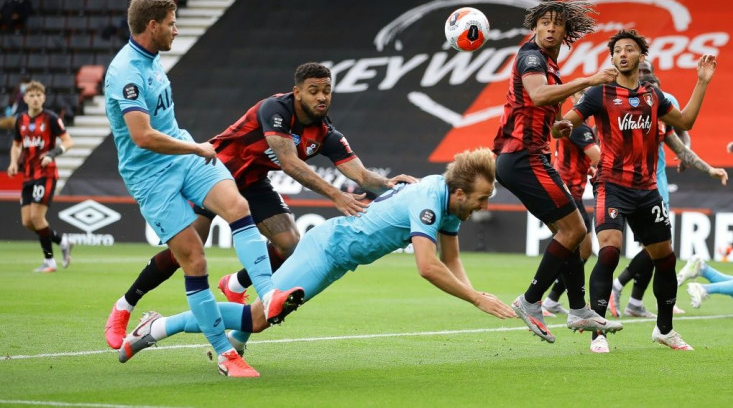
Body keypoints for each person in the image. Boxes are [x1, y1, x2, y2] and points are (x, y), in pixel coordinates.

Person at [116, 148, 517, 373]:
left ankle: (233, 334)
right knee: (259, 317)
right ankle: (158, 326)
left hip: (338, 259)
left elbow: (452, 258)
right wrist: (476, 299)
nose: (484, 206)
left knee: (259, 318)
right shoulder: (430, 202)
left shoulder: (449, 204)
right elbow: (428, 267)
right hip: (326, 249)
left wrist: (475, 292)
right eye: (482, 198)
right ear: (461, 192)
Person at [104, 62, 417, 350]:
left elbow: (361, 175)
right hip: (213, 173)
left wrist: (390, 186)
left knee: (290, 244)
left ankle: (236, 282)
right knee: (183, 254)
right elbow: (290, 163)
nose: (322, 97)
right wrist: (336, 195)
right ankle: (124, 306)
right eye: (314, 91)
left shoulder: (325, 133)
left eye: (326, 90)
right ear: (297, 93)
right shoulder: (276, 110)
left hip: (253, 183)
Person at [104, 0, 303, 378]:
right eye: (171, 23)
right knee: (193, 259)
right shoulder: (125, 72)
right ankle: (225, 355)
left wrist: (191, 150)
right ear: (152, 26)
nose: (176, 29)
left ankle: (267, 293)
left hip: (185, 157)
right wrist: (195, 146)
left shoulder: (151, 60)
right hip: (150, 175)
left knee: (238, 208)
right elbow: (143, 136)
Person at [560, 29, 717, 353]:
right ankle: (598, 333)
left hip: (646, 190)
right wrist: (561, 125)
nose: (622, 54)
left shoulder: (653, 97)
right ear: (612, 57)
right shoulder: (599, 94)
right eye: (617, 50)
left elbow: (685, 122)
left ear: (640, 56)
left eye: (629, 49)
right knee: (610, 250)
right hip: (611, 186)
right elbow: (568, 122)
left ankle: (664, 330)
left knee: (666, 258)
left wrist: (702, 81)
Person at [492, 0, 621, 343]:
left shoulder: (549, 63)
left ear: (566, 32)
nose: (550, 28)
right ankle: (531, 301)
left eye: (557, 24)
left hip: (529, 155)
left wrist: (560, 127)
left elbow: (544, 117)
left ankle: (578, 309)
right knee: (574, 230)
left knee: (569, 235)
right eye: (545, 22)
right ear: (534, 27)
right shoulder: (532, 56)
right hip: (522, 157)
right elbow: (537, 96)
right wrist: (589, 80)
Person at [609, 71, 728, 319]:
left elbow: (681, 131)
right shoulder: (622, 105)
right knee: (658, 248)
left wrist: (705, 167)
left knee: (656, 247)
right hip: (631, 185)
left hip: (656, 183)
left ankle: (635, 301)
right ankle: (619, 286)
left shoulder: (662, 102)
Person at [541, 89, 600, 315]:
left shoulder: (573, 126)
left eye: (587, 94)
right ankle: (542, 298)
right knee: (575, 248)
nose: (583, 97)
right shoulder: (579, 127)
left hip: (570, 191)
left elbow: (585, 159)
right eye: (579, 94)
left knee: (581, 249)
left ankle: (552, 299)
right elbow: (599, 157)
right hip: (567, 193)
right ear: (572, 99)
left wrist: (592, 168)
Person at [7, 80, 73, 272]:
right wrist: (13, 162)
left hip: (46, 173)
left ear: (43, 98)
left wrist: (52, 154)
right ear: (25, 98)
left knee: (37, 217)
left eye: (39, 95)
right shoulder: (21, 120)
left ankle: (50, 261)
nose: (35, 99)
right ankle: (62, 241)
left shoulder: (51, 118)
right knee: (28, 221)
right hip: (28, 175)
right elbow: (16, 145)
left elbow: (68, 142)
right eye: (32, 95)